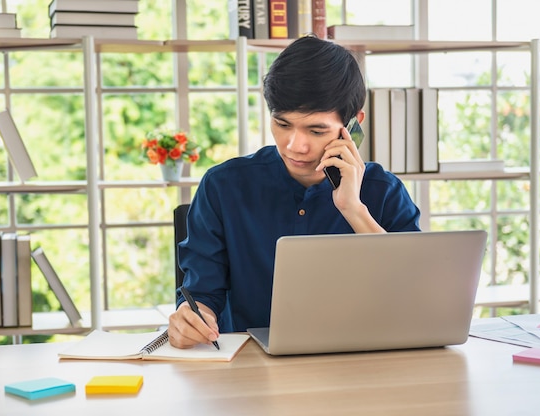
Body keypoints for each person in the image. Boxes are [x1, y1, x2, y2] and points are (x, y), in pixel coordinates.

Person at [168, 35, 420, 349]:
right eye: (282, 124)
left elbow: (415, 300)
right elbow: (202, 294)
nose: (294, 146)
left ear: (354, 125)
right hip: (249, 370)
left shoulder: (384, 191)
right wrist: (192, 319)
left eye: (316, 130)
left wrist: (354, 210)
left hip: (359, 366)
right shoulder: (223, 186)